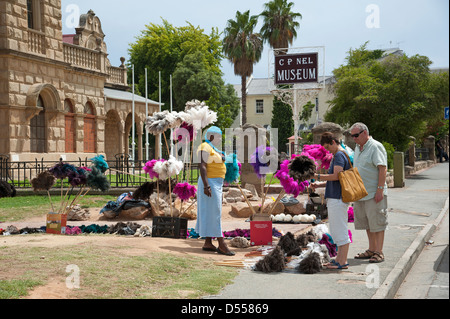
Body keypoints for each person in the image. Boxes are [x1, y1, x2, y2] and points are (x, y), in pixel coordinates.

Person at [311, 132, 352, 269]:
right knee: (337, 229)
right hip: (337, 196)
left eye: (328, 147)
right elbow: (337, 179)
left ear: (333, 142)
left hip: (338, 198)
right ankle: (339, 259)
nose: (328, 151)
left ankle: (342, 261)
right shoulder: (339, 154)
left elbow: (336, 176)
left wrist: (317, 177)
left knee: (340, 230)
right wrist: (320, 184)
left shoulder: (339, 155)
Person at [350, 122, 388, 263]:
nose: (353, 138)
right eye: (352, 136)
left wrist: (380, 189)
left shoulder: (375, 146)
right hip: (361, 192)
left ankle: (379, 251)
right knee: (367, 223)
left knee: (377, 222)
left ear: (364, 133)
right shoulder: (358, 147)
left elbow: (382, 169)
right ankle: (372, 249)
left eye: (356, 135)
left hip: (374, 192)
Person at [196, 126, 235, 256]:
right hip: (210, 183)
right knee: (215, 213)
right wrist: (206, 186)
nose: (220, 139)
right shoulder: (204, 147)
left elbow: (222, 159)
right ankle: (221, 244)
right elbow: (202, 166)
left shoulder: (214, 149)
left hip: (216, 183)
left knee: (210, 212)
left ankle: (208, 242)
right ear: (211, 136)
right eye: (218, 136)